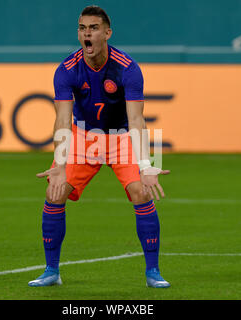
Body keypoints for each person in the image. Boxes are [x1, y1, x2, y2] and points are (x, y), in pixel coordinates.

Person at [28, 5, 171, 288]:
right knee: (53, 192)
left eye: (93, 28)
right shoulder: (66, 69)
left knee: (142, 192)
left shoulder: (127, 68)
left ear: (107, 33)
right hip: (84, 138)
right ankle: (51, 271)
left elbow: (136, 120)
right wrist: (58, 164)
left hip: (122, 139)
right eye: (82, 28)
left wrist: (145, 165)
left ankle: (153, 272)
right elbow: (62, 119)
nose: (86, 34)